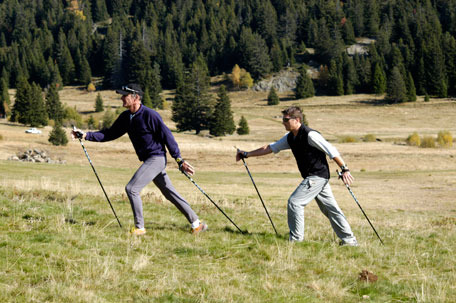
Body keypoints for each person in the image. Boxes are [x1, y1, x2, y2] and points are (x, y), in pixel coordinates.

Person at [72, 83, 207, 235]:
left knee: (131, 188)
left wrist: (179, 160)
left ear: (136, 97)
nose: (122, 98)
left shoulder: (150, 115)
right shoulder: (126, 117)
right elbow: (109, 134)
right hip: (149, 160)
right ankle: (197, 224)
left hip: (156, 158)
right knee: (169, 192)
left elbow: (167, 137)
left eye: (125, 95)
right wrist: (85, 135)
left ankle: (139, 228)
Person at [236, 106, 358, 246]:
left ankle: (296, 242)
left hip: (316, 177)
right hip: (316, 177)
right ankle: (349, 241)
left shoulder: (310, 135)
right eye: (283, 119)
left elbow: (331, 150)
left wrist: (345, 169)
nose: (283, 122)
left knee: (295, 202)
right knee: (331, 210)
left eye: (286, 119)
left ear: (297, 120)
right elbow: (270, 148)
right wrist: (247, 154)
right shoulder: (290, 138)